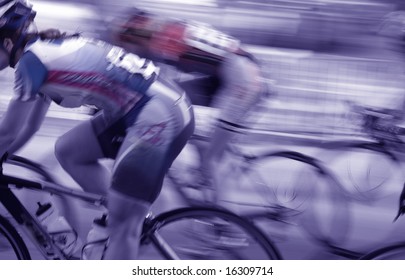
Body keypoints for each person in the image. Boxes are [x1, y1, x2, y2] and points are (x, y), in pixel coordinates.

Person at [0, 0, 194, 259]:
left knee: (123, 226)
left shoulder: (31, 63)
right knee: (69, 150)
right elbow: (29, 127)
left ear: (7, 42)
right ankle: (124, 212)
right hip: (142, 108)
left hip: (158, 114)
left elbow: (7, 132)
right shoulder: (41, 54)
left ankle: (125, 223)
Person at [109, 8, 268, 203]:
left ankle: (223, 222)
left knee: (211, 158)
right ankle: (204, 150)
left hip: (242, 80)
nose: (129, 52)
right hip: (225, 74)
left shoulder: (164, 40)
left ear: (136, 37)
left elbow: (156, 83)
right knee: (177, 103)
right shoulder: (167, 30)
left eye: (127, 46)